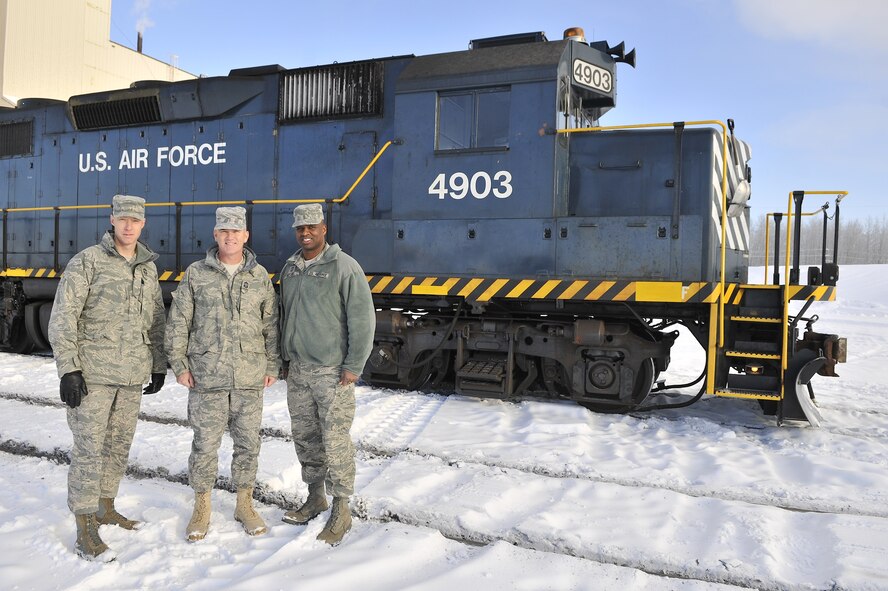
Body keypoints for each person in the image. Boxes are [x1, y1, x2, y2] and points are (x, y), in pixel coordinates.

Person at [47, 194, 166, 562]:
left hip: (131, 374)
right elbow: (63, 317)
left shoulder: (146, 267)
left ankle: (105, 506)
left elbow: (156, 318)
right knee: (88, 448)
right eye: (123, 219)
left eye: (135, 220)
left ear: (143, 224)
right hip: (93, 375)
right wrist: (69, 368)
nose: (129, 225)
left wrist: (158, 364)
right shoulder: (88, 261)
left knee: (117, 445)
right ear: (112, 220)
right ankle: (85, 525)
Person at [165, 206, 279, 542]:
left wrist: (271, 365)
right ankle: (202, 507)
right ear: (215, 235)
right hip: (207, 377)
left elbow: (271, 324)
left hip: (249, 377)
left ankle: (245, 504)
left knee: (248, 444)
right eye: (223, 231)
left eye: (236, 232)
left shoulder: (259, 277)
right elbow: (179, 321)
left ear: (246, 236)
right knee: (205, 445)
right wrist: (180, 365)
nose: (230, 237)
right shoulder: (197, 274)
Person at [279, 203, 376, 545]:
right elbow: (283, 316)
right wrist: (284, 359)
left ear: (324, 228)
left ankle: (342, 509)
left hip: (332, 373)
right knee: (306, 438)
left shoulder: (343, 266)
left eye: (312, 227)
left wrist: (353, 366)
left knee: (335, 441)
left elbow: (363, 319)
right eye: (300, 228)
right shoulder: (290, 269)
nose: (306, 233)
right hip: (299, 371)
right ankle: (315, 495)